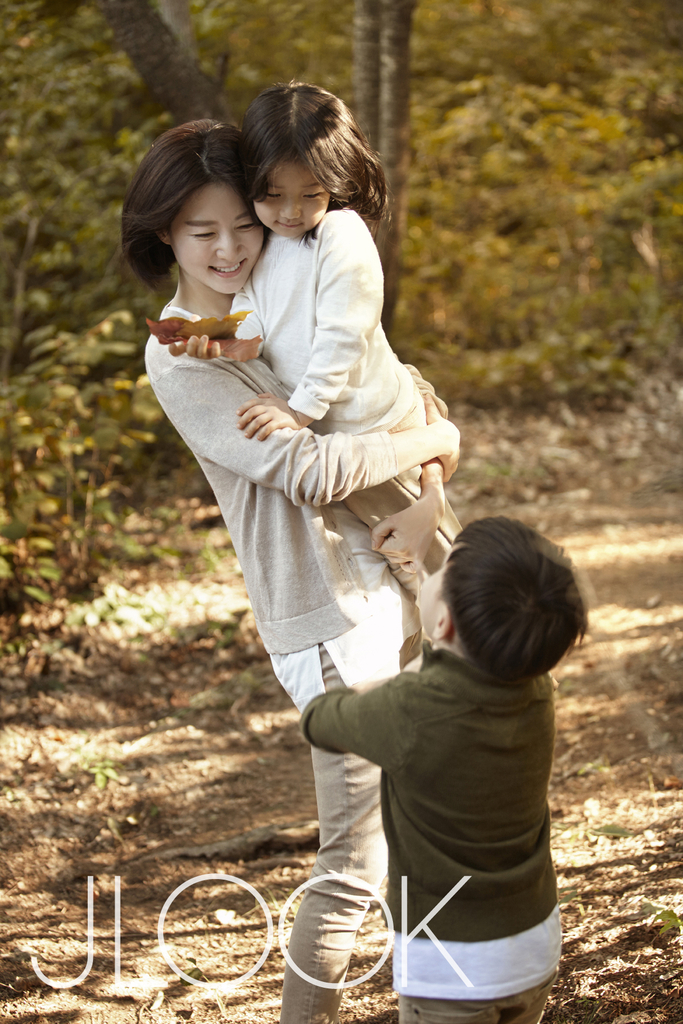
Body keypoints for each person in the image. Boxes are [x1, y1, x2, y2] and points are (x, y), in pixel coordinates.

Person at [121, 119, 461, 1024]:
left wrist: (429, 478)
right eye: (202, 233)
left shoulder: (291, 274)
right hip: (327, 615)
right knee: (354, 862)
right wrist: (441, 439)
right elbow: (309, 468)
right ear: (165, 235)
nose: (230, 248)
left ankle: (442, 1005)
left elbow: (399, 377)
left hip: (411, 576)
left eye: (244, 223)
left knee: (431, 826)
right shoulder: (183, 349)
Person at [301, 517, 588, 1024]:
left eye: (440, 570)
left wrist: (380, 689)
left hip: (453, 963)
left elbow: (320, 720)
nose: (430, 572)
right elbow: (458, 670)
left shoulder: (409, 710)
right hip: (534, 942)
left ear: (445, 623)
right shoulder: (537, 689)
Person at [174, 81, 459, 580]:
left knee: (447, 578)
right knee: (410, 576)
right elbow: (258, 321)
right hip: (346, 439)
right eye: (273, 195)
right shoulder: (264, 247)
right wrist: (221, 340)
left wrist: (299, 409)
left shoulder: (339, 235)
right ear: (251, 181)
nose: (291, 211)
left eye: (311, 194)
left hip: (381, 423)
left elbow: (343, 335)